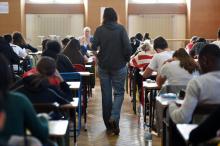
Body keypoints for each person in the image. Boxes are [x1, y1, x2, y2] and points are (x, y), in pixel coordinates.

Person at [92, 7, 132, 135]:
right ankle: (114, 117)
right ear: (115, 16)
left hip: (104, 66)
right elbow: (127, 47)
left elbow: (93, 47)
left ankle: (109, 126)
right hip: (119, 65)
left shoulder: (99, 30)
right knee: (119, 93)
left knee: (106, 95)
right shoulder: (121, 29)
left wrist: (99, 56)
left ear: (104, 17)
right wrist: (126, 60)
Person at [0, 54, 49, 144]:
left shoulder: (19, 93)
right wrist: (44, 119)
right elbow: (41, 133)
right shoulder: (18, 101)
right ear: (6, 74)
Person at [169, 44, 220, 124]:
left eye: (199, 63)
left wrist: (171, 104)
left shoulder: (197, 83)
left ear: (204, 61)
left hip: (203, 133)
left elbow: (182, 118)